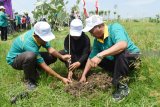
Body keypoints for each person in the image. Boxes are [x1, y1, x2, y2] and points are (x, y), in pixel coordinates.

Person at [79, 15, 140, 101]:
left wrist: (101, 55)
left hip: (132, 58)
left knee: (121, 51)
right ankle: (117, 72)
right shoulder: (97, 40)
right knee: (95, 54)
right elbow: (91, 58)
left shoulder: (115, 28)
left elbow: (123, 44)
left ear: (99, 26)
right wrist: (83, 75)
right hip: (117, 62)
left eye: (91, 31)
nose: (91, 35)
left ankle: (122, 87)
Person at [6, 21, 71, 90]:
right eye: (45, 38)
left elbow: (50, 49)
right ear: (37, 36)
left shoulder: (38, 33)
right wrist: (61, 78)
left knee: (52, 56)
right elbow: (43, 64)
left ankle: (35, 70)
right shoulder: (29, 43)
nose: (46, 41)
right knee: (30, 56)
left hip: (29, 54)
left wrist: (62, 57)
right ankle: (30, 81)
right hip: (15, 60)